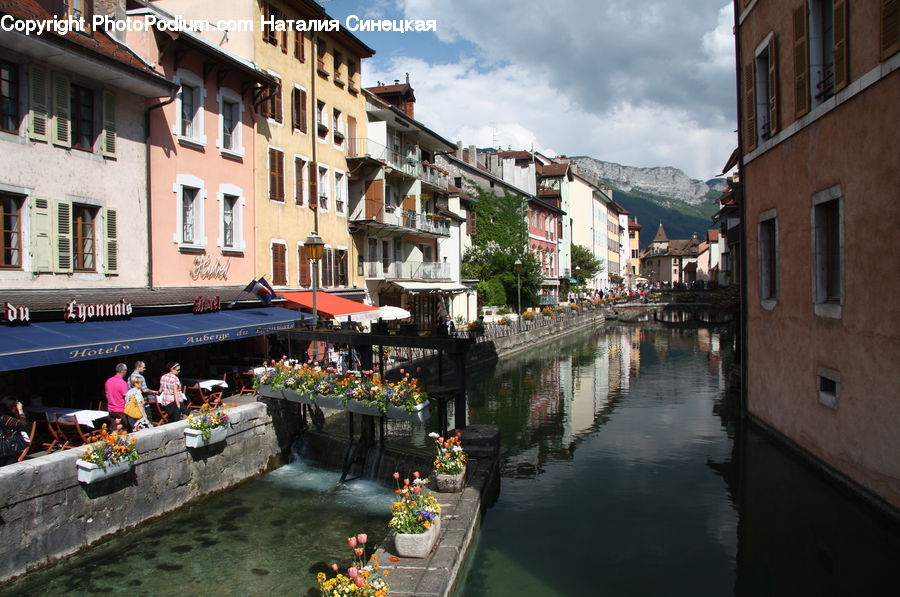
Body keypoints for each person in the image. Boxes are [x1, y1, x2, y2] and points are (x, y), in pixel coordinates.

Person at [1, 398, 29, 465]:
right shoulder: (5, 418)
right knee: (8, 464)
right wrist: (20, 410)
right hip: (7, 447)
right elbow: (23, 423)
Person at [105, 363, 129, 431]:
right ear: (123, 371)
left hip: (111, 409)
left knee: (114, 430)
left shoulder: (108, 381)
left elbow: (107, 395)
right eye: (126, 370)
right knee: (123, 431)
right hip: (120, 410)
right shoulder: (122, 383)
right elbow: (126, 397)